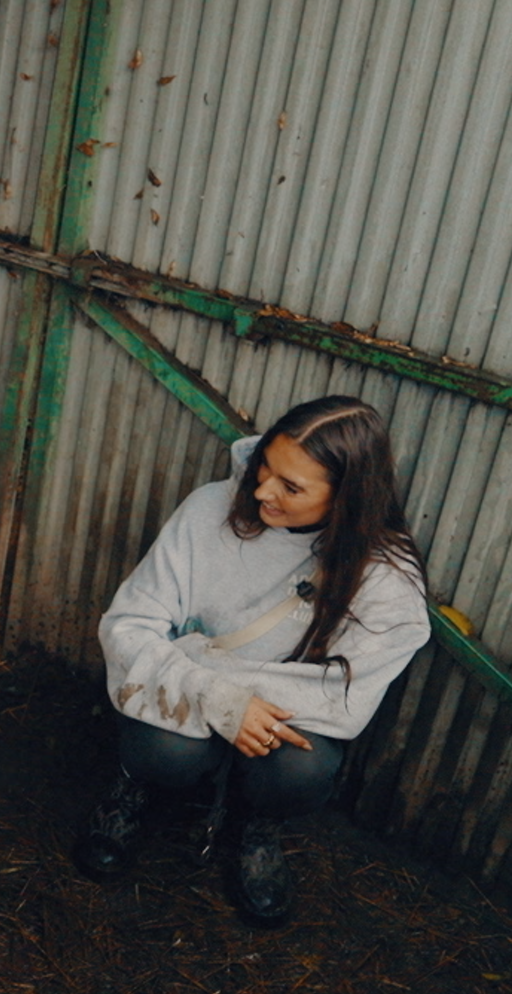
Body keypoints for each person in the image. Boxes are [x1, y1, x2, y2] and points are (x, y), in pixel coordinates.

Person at [75, 396, 429, 924]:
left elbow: (345, 700)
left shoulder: (387, 576)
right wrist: (216, 697)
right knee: (163, 750)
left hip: (280, 716)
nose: (262, 489)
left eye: (292, 487)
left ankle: (256, 826)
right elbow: (127, 623)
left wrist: (237, 698)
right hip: (193, 689)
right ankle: (134, 785)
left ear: (347, 497)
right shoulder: (209, 508)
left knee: (302, 769)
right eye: (266, 465)